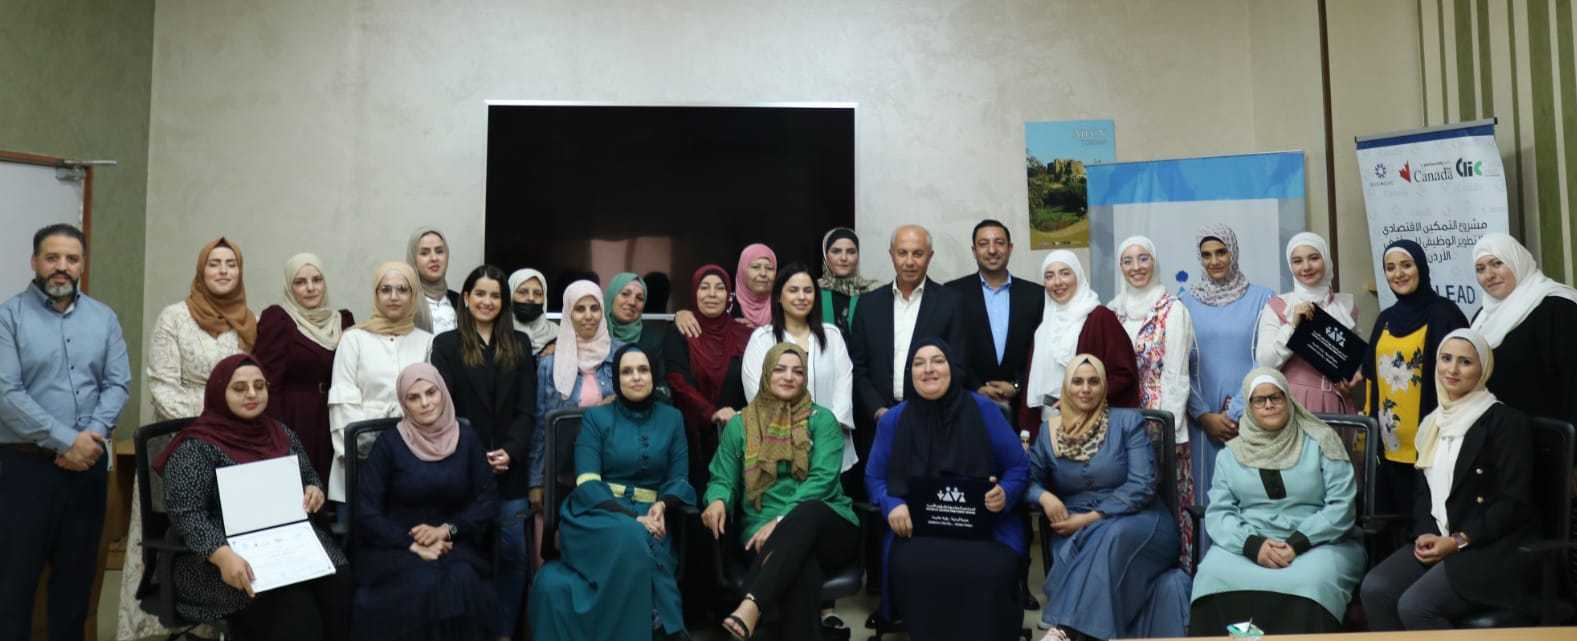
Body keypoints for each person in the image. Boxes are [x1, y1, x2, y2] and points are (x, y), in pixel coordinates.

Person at [152, 354, 349, 640]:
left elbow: (309, 476)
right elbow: (187, 516)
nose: (252, 394)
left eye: (259, 386)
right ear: (219, 393)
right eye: (239, 388)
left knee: (339, 584)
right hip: (214, 559)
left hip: (284, 543)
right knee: (295, 612)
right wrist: (223, 556)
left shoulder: (279, 433)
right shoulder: (196, 446)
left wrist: (313, 490)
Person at [0, 224, 130, 640]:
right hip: (24, 470)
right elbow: (6, 392)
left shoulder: (103, 318)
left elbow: (117, 383)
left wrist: (90, 437)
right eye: (52, 258)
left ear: (82, 265)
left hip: (87, 470)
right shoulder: (8, 317)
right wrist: (66, 440)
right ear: (34, 262)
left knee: (76, 587)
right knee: (14, 586)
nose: (62, 267)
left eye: (71, 259)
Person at [1359, 329, 1536, 629]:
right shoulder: (1432, 423)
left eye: (1465, 362)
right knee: (1375, 589)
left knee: (1415, 606)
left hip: (1487, 547)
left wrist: (1457, 541)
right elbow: (1423, 495)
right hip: (1440, 538)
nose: (1452, 369)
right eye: (1446, 359)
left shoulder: (1506, 422)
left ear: (1483, 369)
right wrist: (1425, 533)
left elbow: (1513, 503)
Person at [125, 236, 256, 640]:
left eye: (231, 263)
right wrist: (221, 415)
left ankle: (226, 623)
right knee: (180, 534)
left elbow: (253, 387)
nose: (223, 270)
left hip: (232, 451)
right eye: (214, 263)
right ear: (201, 271)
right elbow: (163, 389)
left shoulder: (248, 321)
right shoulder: (174, 317)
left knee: (227, 543)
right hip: (179, 444)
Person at [865, 338, 1028, 641]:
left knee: (992, 570)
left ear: (952, 367)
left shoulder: (984, 410)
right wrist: (891, 503)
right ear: (910, 374)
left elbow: (1018, 467)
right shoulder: (894, 420)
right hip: (917, 530)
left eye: (938, 361)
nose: (928, 369)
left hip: (984, 529)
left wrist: (1005, 493)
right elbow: (875, 477)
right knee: (913, 566)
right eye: (919, 363)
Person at [528, 345, 695, 640]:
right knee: (631, 535)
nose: (636, 377)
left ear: (653, 375)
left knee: (638, 539)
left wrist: (662, 506)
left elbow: (679, 477)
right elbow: (588, 482)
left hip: (653, 517)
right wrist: (632, 517)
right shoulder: (597, 418)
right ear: (616, 379)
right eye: (626, 372)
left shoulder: (672, 418)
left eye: (643, 370)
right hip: (597, 513)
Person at [703, 343, 860, 641]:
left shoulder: (822, 420)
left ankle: (751, 604)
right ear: (766, 374)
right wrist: (717, 500)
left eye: (797, 371)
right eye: (780, 369)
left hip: (829, 525)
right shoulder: (740, 425)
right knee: (800, 567)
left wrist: (780, 521)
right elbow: (723, 477)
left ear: (805, 378)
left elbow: (823, 480)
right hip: (761, 531)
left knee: (809, 511)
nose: (789, 377)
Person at [1188, 368, 1363, 635]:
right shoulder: (1231, 454)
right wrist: (1252, 545)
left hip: (1319, 541)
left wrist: (1296, 543)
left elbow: (1342, 506)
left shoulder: (1322, 442)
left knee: (1311, 582)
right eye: (1259, 400)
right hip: (1250, 541)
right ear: (1249, 407)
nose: (1268, 405)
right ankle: (1247, 640)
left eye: (1275, 397)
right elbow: (1219, 513)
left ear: (1288, 399)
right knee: (1212, 575)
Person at [1028, 354, 1189, 641]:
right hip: (1073, 526)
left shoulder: (1127, 422)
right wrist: (1044, 497)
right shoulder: (1049, 432)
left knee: (1113, 534)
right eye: (1077, 381)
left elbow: (1142, 484)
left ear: (1104, 386)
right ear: (1066, 387)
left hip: (1140, 520)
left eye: (1094, 381)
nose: (1085, 389)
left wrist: (1090, 519)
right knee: (1101, 541)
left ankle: (1065, 629)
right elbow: (1027, 478)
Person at [429, 265, 538, 641]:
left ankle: (504, 633)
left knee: (513, 553)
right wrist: (474, 455)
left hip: (510, 470)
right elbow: (442, 411)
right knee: (465, 555)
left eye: (495, 295)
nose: (487, 301)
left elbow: (527, 410)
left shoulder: (520, 344)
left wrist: (511, 451)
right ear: (466, 298)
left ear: (503, 302)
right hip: (462, 468)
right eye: (480, 294)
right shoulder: (445, 345)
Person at [353, 363, 498, 640]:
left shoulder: (467, 439)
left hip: (456, 543)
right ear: (403, 403)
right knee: (422, 582)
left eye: (431, 392)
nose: (425, 403)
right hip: (398, 546)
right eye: (414, 397)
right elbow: (366, 511)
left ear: (443, 392)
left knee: (461, 580)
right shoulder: (389, 444)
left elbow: (487, 500)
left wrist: (447, 530)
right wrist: (412, 544)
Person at [1179, 224, 1274, 552]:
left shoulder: (1264, 299)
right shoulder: (1185, 302)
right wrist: (1203, 415)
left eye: (1221, 252)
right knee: (1207, 499)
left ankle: (1252, 566)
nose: (1215, 261)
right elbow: (1179, 366)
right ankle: (1206, 569)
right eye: (1206, 255)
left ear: (1233, 252)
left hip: (1251, 416)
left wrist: (1236, 412)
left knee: (1250, 496)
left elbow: (1267, 360)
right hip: (1202, 423)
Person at [847, 225, 970, 472]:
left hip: (932, 423)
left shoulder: (951, 302)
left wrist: (922, 411)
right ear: (891, 255)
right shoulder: (868, 304)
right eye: (902, 253)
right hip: (878, 424)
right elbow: (858, 367)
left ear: (930, 256)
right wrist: (878, 410)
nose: (910, 261)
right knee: (880, 491)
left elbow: (958, 365)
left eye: (918, 253)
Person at [1106, 235, 1198, 566]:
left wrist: (1165, 431)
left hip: (1159, 422)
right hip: (1118, 424)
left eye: (1143, 258)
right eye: (1128, 261)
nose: (1136, 267)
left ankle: (1176, 573)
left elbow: (1176, 376)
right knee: (1127, 503)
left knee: (1166, 498)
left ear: (1155, 262)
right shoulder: (1111, 311)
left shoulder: (1172, 310)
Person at [1361, 239, 1468, 517]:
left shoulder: (1445, 314)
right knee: (1395, 522)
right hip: (1390, 446)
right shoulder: (1385, 318)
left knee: (1432, 519)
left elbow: (1465, 376)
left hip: (1435, 442)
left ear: (1421, 267)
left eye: (1406, 265)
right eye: (1390, 268)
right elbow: (1370, 374)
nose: (1398, 274)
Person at [327, 262, 436, 508]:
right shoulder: (353, 339)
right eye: (385, 289)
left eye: (402, 289)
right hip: (359, 464)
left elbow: (430, 403)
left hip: (414, 463)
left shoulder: (428, 342)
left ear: (413, 295)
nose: (394, 297)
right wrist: (369, 448)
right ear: (376, 294)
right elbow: (343, 403)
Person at [741, 264, 857, 474]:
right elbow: (758, 394)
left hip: (831, 446)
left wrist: (826, 431)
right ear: (779, 296)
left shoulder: (832, 336)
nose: (801, 297)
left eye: (808, 290)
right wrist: (797, 434)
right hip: (781, 447)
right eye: (793, 290)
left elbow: (844, 386)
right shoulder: (762, 339)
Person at [254, 252, 355, 483]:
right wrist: (278, 435)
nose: (310, 288)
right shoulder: (278, 319)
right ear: (289, 288)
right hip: (297, 419)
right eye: (300, 282)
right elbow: (267, 383)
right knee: (303, 489)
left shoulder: (343, 321)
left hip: (336, 416)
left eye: (317, 280)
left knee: (336, 489)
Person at [1469, 232, 1577, 427]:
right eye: (1480, 269)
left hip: (1545, 435)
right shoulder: (1482, 317)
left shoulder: (1557, 307)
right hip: (1497, 433)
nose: (1489, 275)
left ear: (1517, 261)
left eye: (1497, 263)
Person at [664, 264, 752, 490]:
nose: (712, 294)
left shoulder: (744, 334)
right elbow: (678, 382)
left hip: (739, 432)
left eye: (720, 288)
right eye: (704, 287)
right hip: (693, 437)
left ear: (729, 294)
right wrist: (711, 412)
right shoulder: (680, 332)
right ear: (695, 292)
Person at [1025, 250, 1139, 423]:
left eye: (1065, 273)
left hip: (1092, 424)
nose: (1057, 282)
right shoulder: (1045, 326)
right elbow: (1031, 384)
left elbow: (1124, 374)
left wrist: (1083, 400)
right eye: (1049, 276)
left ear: (1078, 276)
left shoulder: (1100, 317)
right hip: (1049, 423)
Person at [945, 219, 1043, 414]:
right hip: (967, 403)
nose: (992, 250)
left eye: (999, 243)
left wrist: (1017, 385)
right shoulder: (952, 293)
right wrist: (976, 387)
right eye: (983, 244)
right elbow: (949, 347)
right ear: (974, 251)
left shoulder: (1036, 295)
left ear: (1010, 248)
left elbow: (1040, 349)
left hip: (1023, 405)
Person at [1254, 232, 1359, 413]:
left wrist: (1353, 377)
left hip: (1337, 402)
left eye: (1314, 258)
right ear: (1290, 266)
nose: (1306, 267)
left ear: (1326, 259)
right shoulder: (1279, 306)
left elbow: (1353, 360)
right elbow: (1266, 363)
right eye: (1297, 261)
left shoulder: (1346, 306)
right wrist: (1293, 327)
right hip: (1295, 403)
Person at [675, 243, 780, 338]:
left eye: (769, 268)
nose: (763, 273)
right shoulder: (725, 302)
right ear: (742, 270)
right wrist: (680, 315)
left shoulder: (782, 304)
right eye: (755, 267)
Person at [606, 272, 674, 384]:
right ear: (611, 296)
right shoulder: (594, 334)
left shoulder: (653, 340)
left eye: (640, 298)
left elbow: (660, 384)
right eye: (625, 294)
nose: (632, 302)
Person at [818, 227, 878, 336]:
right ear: (825, 256)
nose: (844, 258)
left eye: (851, 252)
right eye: (836, 251)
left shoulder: (872, 292)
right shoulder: (813, 292)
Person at [408, 227, 458, 334]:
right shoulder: (405, 301)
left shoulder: (459, 301)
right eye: (424, 253)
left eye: (439, 251)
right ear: (413, 259)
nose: (434, 258)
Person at [508, 268, 558, 356]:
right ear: (510, 295)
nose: (531, 298)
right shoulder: (498, 334)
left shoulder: (559, 335)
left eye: (538, 293)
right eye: (523, 292)